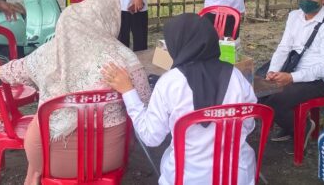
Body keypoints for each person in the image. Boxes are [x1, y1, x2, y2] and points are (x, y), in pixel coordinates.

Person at [0, 0, 151, 184]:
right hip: (108, 158)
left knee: (42, 121)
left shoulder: (47, 52)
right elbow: (145, 103)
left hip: (48, 160)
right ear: (108, 21)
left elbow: (13, 72)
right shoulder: (125, 58)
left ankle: (34, 177)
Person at [102, 14, 258, 185]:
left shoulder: (170, 83)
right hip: (239, 176)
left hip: (186, 178)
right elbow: (248, 125)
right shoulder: (237, 76)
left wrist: (128, 91)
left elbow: (151, 137)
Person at [262, 0, 324, 147]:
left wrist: (292, 78)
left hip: (316, 81)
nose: (307, 0)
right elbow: (284, 48)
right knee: (258, 89)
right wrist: (273, 71)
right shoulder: (294, 16)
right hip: (291, 67)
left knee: (275, 102)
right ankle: (289, 123)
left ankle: (304, 126)